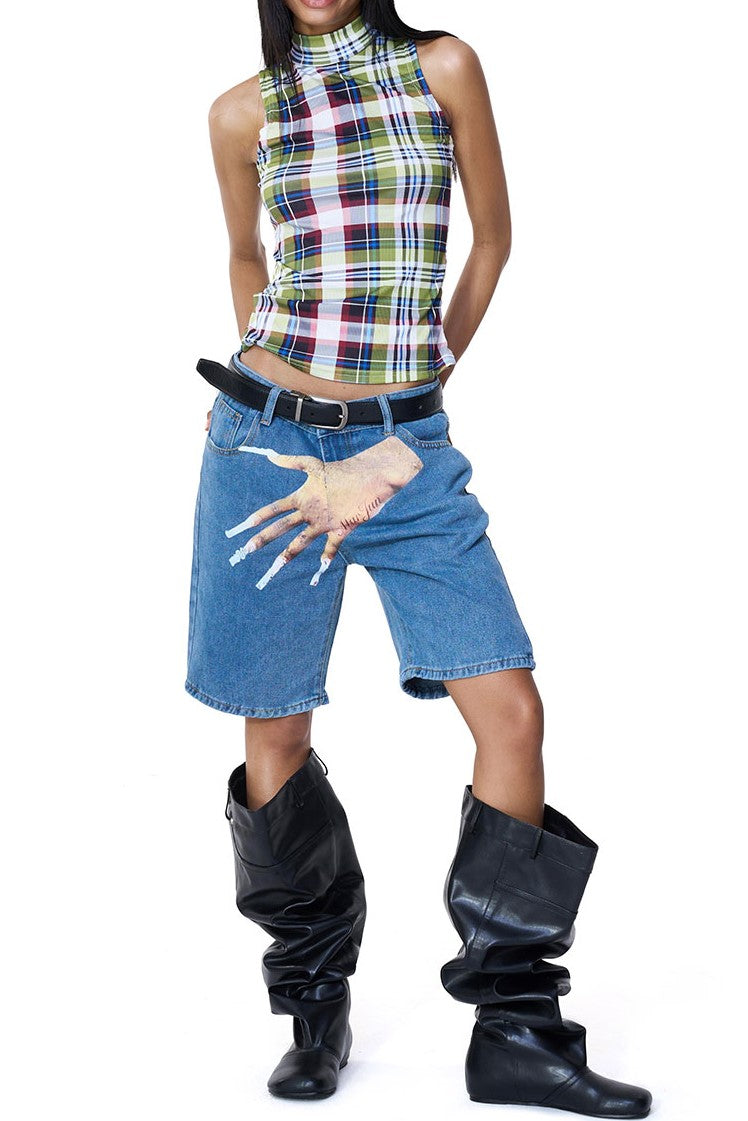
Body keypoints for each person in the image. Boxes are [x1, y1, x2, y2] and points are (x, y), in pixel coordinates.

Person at [185, 1, 653, 1114]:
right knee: (276, 722)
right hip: (265, 449)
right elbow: (247, 252)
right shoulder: (242, 111)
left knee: (510, 709)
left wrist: (398, 427)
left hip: (405, 452)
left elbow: (491, 241)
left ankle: (516, 1030)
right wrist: (280, 400)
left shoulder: (441, 67)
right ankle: (313, 1008)